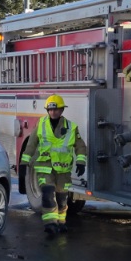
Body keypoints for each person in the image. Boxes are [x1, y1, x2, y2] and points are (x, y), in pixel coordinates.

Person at [20, 94, 87, 236]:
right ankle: (50, 224)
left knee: (62, 199)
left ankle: (61, 222)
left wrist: (81, 162)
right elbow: (31, 144)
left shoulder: (71, 127)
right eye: (50, 110)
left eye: (56, 109)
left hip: (63, 170)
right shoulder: (41, 124)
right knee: (47, 194)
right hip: (45, 167)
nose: (53, 112)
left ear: (62, 110)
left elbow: (80, 146)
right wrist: (24, 163)